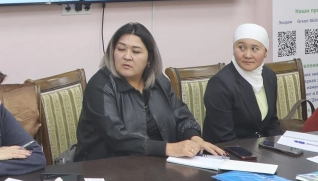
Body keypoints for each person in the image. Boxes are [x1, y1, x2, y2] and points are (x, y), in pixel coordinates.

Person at [75, 22, 225, 161]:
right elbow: (117, 137)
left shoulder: (159, 80)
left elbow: (180, 115)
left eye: (135, 51)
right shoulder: (100, 85)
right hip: (107, 165)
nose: (127, 56)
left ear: (149, 58)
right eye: (121, 49)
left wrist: (195, 139)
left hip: (155, 163)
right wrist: (169, 148)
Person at [202, 24, 283, 143]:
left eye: (254, 49)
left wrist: (280, 147)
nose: (247, 55)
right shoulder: (220, 84)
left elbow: (271, 123)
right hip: (228, 150)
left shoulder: (269, 76)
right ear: (234, 49)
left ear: (265, 51)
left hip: (260, 148)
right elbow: (225, 138)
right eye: (241, 48)